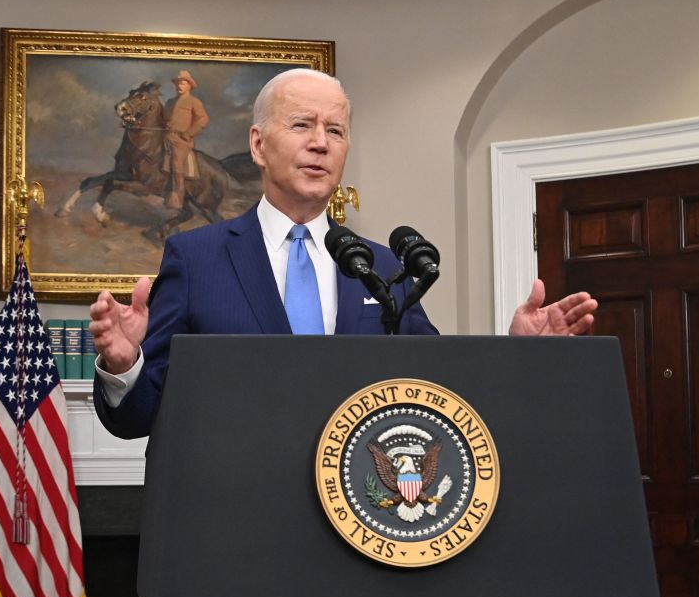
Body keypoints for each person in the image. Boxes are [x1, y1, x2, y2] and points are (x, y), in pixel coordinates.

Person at [89, 68, 597, 440]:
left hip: (360, 529)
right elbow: (137, 419)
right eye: (302, 126)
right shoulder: (195, 258)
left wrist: (519, 354)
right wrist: (125, 362)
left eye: (335, 130)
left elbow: (439, 390)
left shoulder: (382, 265)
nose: (320, 143)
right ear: (259, 145)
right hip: (236, 534)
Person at [163, 69, 210, 209]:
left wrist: (189, 133)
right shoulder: (170, 102)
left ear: (189, 85)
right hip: (166, 137)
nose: (179, 86)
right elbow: (164, 119)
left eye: (182, 83)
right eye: (178, 83)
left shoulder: (194, 102)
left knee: (177, 165)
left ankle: (178, 197)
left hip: (182, 141)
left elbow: (203, 119)